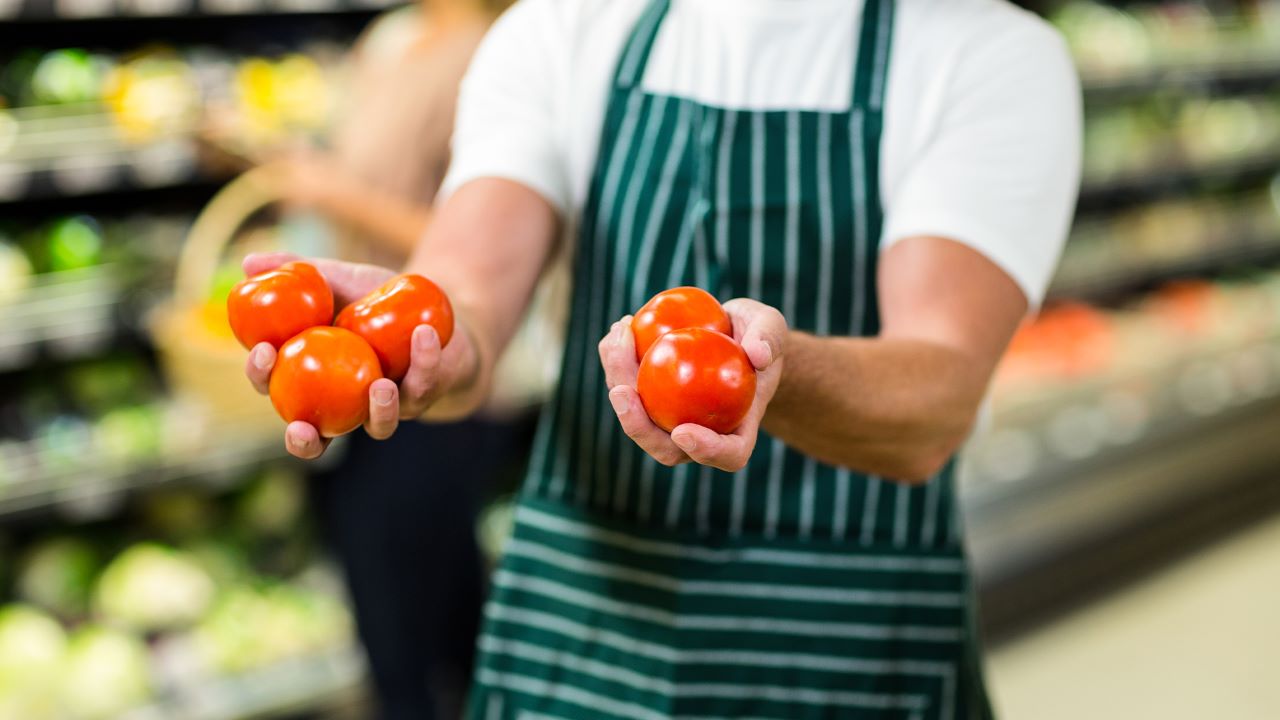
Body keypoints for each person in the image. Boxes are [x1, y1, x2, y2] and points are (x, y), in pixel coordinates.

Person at [241, 0, 1081, 715]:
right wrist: (416, 345)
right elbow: (467, 293)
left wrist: (774, 371)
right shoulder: (565, 26)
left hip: (850, 637)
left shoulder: (988, 56)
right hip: (585, 622)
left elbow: (935, 394)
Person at [243, 2, 516, 718]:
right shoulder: (391, 36)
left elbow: (470, 241)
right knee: (422, 596)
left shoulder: (491, 54)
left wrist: (339, 195)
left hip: (421, 365)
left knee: (408, 620)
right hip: (342, 348)